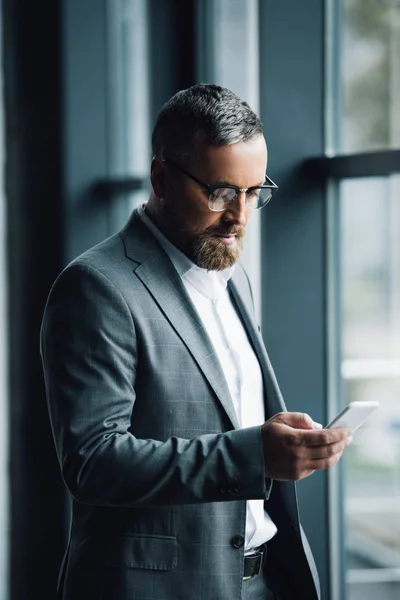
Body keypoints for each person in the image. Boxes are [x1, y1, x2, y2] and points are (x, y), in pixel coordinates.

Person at [40, 83, 351, 600]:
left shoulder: (233, 278)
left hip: (267, 579)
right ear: (161, 177)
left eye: (255, 193)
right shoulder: (96, 286)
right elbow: (92, 462)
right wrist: (253, 455)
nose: (241, 217)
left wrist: (280, 440)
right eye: (222, 192)